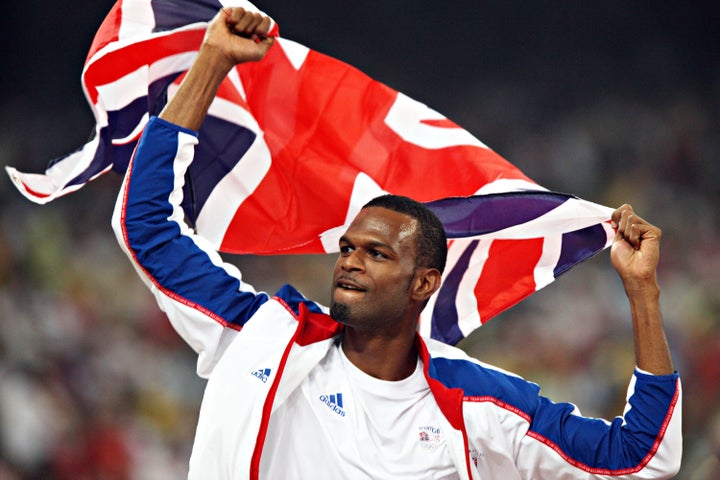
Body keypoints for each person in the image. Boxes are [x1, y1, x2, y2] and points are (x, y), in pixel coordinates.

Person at [111, 7, 682, 479]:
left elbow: (640, 460)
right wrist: (210, 65)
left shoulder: (475, 402)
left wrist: (643, 293)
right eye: (349, 248)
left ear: (425, 283)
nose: (351, 262)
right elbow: (149, 229)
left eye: (377, 253)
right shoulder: (264, 335)